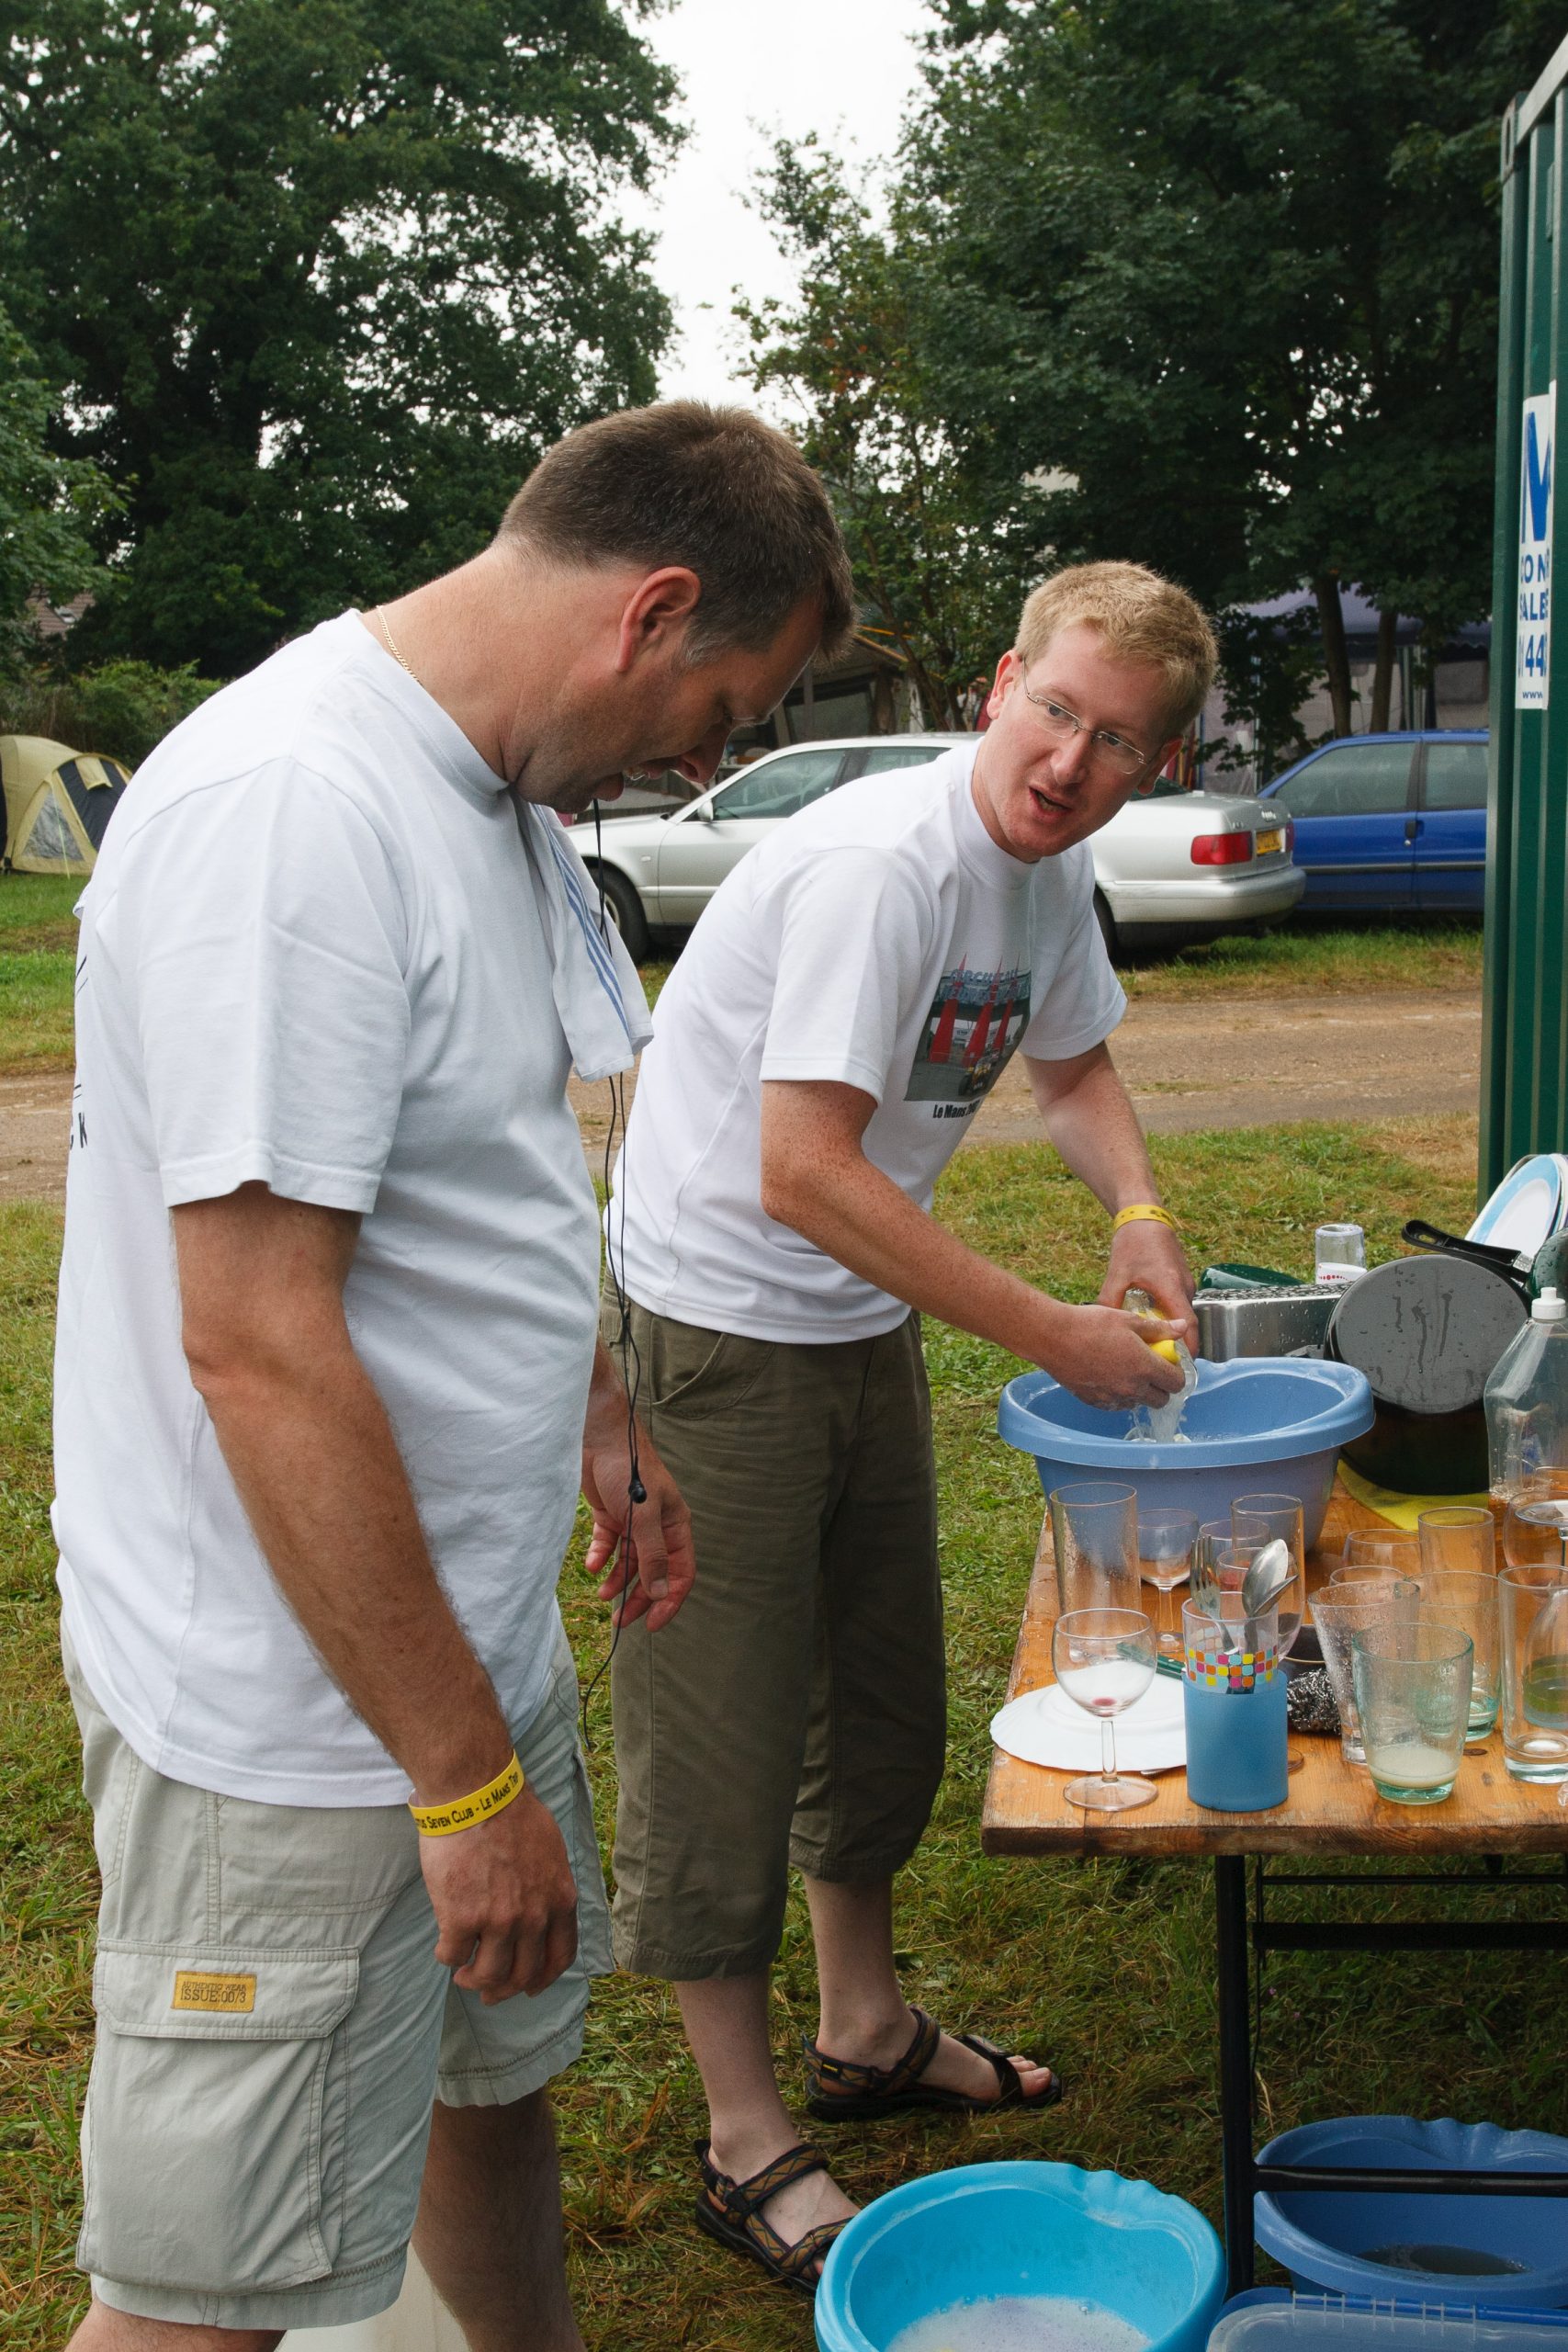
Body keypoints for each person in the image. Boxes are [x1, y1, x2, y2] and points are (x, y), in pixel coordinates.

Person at [52, 402, 853, 2352]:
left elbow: (487, 1167)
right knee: (209, 2296)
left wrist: (590, 1410)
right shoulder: (293, 815)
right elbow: (252, 1339)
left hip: (453, 1641)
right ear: (648, 608)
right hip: (307, 1724)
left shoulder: (489, 797)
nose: (711, 757)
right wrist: (459, 1774)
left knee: (480, 2086)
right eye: (724, 703)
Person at [602, 560, 1215, 2294]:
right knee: (721, 1726)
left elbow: (1075, 1066)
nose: (1068, 763)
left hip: (854, 1317)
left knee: (876, 1695)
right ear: (1004, 684)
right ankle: (743, 2144)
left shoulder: (1051, 870)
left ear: (1149, 765)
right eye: (1054, 714)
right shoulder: (888, 867)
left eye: (1115, 744)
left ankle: (864, 2031)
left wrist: (1136, 1208)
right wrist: (1052, 1335)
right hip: (720, 1322)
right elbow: (802, 1173)